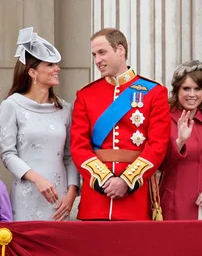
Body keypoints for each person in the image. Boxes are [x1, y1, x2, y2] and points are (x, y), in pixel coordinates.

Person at [70, 28, 170, 220]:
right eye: (94, 54)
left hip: (135, 196)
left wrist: (127, 181)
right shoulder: (86, 95)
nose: (97, 60)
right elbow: (78, 145)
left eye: (102, 52)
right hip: (97, 196)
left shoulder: (154, 93)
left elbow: (157, 145)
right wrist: (104, 179)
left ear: (121, 50)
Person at [0, 27, 79, 221]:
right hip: (27, 195)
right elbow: (8, 154)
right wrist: (37, 179)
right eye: (50, 65)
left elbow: (70, 156)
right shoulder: (12, 105)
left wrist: (71, 192)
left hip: (60, 200)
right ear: (33, 72)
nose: (57, 69)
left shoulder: (65, 109)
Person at [159, 60, 202, 220]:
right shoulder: (163, 120)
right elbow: (159, 165)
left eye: (197, 89)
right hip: (174, 204)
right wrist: (180, 142)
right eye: (186, 88)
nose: (192, 94)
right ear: (177, 91)